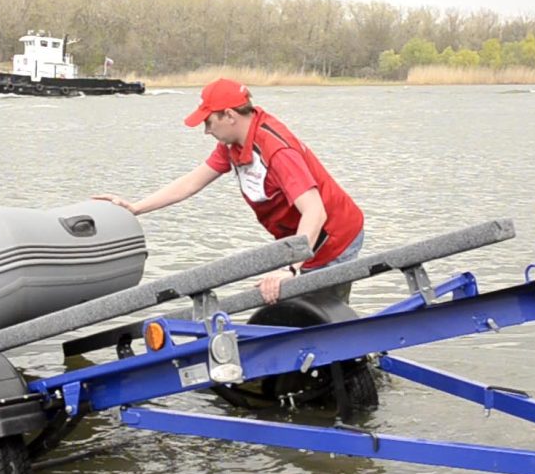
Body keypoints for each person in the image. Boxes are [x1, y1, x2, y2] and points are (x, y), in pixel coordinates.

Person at [95, 78, 364, 305]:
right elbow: (191, 183)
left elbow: (315, 211)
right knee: (294, 311)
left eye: (209, 122)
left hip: (333, 238)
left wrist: (291, 268)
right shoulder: (232, 144)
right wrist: (136, 207)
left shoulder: (277, 151)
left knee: (319, 319)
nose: (206, 131)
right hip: (301, 240)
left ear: (230, 115)